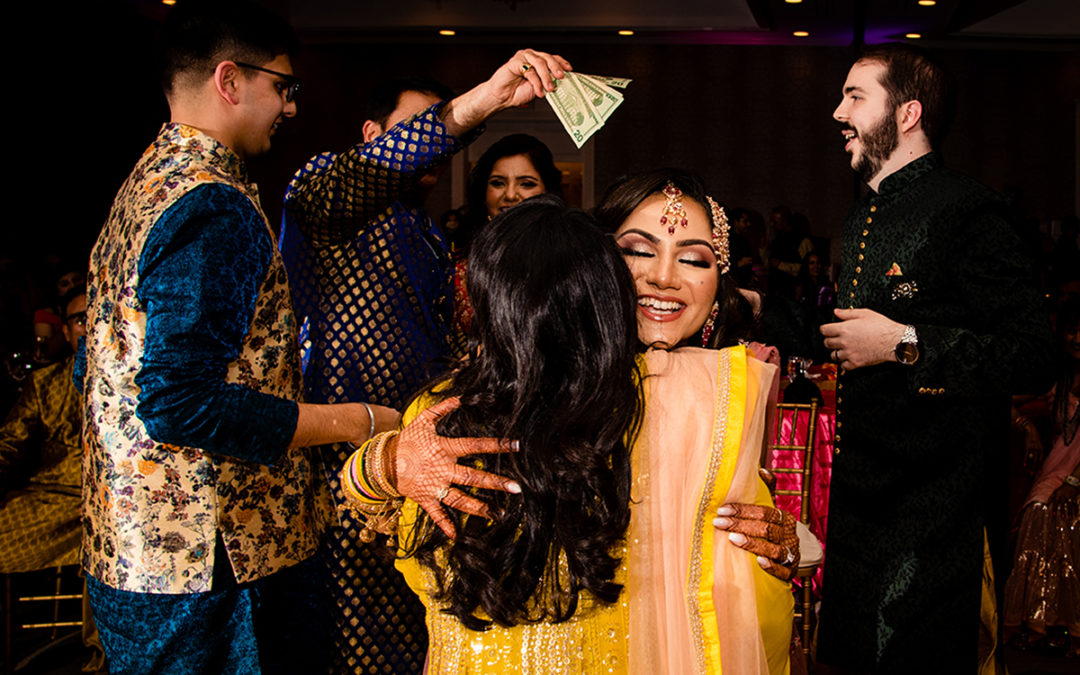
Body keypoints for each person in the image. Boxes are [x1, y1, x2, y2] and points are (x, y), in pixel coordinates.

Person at [79, 2, 402, 672]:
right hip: (213, 566)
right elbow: (180, 403)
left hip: (134, 545)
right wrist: (358, 420)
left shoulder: (146, 179)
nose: (289, 107)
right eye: (283, 87)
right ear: (231, 81)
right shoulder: (212, 202)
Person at [342, 196, 793, 673]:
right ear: (607, 291)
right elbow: (745, 615)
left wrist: (379, 466)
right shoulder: (702, 399)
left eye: (692, 258)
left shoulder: (443, 411)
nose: (663, 277)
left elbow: (390, 530)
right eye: (638, 252)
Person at [279, 51, 573, 672]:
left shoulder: (430, 235)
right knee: (356, 647)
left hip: (429, 470)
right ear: (372, 139)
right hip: (343, 480)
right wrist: (478, 103)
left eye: (435, 133)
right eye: (416, 129)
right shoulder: (326, 199)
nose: (427, 147)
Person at [818, 42, 1054, 673]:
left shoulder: (967, 208)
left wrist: (903, 343)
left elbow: (1034, 354)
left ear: (908, 113)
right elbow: (844, 335)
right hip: (860, 505)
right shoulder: (868, 206)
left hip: (932, 521)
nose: (837, 111)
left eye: (854, 96)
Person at [1004, 298, 1080, 657]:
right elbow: (1002, 401)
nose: (1078, 337)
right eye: (1072, 330)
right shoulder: (1058, 380)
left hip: (1076, 476)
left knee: (1065, 515)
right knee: (1037, 510)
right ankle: (1042, 621)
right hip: (1054, 471)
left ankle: (1068, 625)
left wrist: (1074, 482)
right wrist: (1025, 426)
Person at [1, 285, 86, 573]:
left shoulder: (141, 379)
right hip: (53, 504)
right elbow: (10, 443)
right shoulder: (45, 382)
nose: (90, 326)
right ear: (65, 332)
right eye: (80, 319)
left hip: (118, 503)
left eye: (99, 315)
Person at [452, 133, 562, 355]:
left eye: (527, 184)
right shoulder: (462, 266)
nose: (510, 195)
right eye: (498, 183)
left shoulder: (566, 259)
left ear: (547, 191)